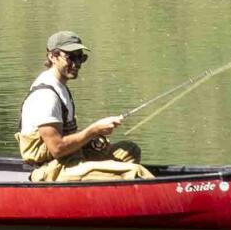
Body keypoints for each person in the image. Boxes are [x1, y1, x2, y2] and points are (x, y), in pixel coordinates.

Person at [17, 29, 150, 182]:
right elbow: (57, 148)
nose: (77, 64)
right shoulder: (45, 96)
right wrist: (93, 131)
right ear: (53, 57)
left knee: (129, 150)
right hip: (52, 170)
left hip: (70, 159)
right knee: (135, 171)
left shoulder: (60, 87)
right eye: (71, 58)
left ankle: (109, 197)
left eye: (81, 58)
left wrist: (90, 140)